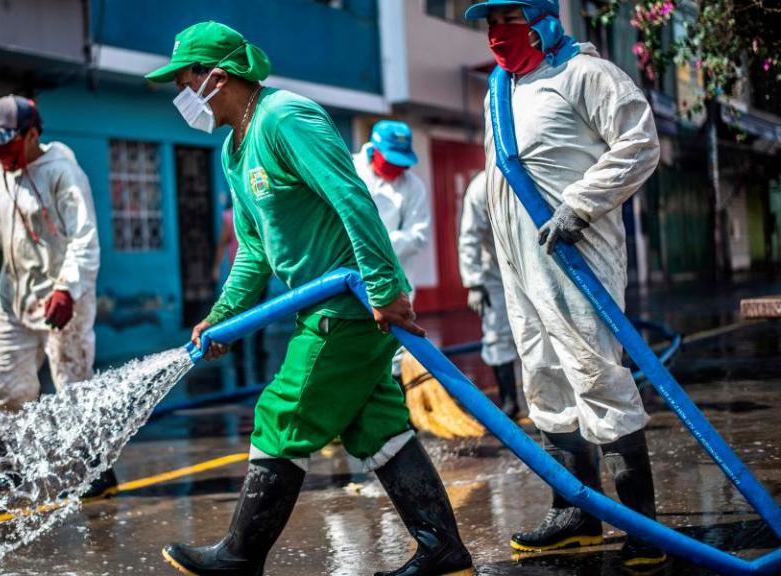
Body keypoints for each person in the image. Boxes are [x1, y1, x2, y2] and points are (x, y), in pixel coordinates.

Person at [145, 21, 473, 576]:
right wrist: (223, 317)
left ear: (217, 77)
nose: (180, 94)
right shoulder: (234, 148)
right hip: (321, 305)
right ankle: (444, 549)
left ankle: (240, 557)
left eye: (184, 80)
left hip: (346, 306)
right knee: (378, 428)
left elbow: (352, 198)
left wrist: (385, 287)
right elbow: (253, 250)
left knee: (281, 412)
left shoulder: (285, 118)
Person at [464, 0, 665, 568]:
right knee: (544, 377)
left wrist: (578, 206)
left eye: (509, 21)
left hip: (576, 258)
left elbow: (639, 144)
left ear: (544, 22)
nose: (496, 36)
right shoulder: (499, 92)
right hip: (520, 266)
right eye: (489, 25)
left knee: (596, 375)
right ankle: (575, 513)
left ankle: (644, 527)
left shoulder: (587, 75)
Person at [0, 95, 116, 498]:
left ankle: (97, 469)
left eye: (7, 143)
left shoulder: (62, 172)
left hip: (64, 297)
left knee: (73, 385)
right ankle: (6, 469)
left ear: (32, 135)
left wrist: (67, 289)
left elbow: (85, 239)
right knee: (2, 388)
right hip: (14, 297)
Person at [458, 171, 520, 418]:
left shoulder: (532, 172)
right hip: (496, 273)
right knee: (497, 333)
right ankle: (509, 401)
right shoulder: (481, 186)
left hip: (538, 266)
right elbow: (469, 236)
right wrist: (474, 282)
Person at [352, 120, 431, 298]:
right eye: (392, 160)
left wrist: (379, 245)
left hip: (394, 284)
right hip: (350, 277)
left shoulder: (414, 186)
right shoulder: (350, 170)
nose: (399, 167)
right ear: (375, 150)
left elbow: (418, 235)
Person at [212, 194, 268, 387]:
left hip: (250, 272)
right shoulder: (239, 215)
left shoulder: (240, 214)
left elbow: (222, 243)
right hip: (247, 273)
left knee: (248, 311)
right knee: (259, 310)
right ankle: (251, 347)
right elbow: (223, 243)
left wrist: (215, 268)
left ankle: (246, 348)